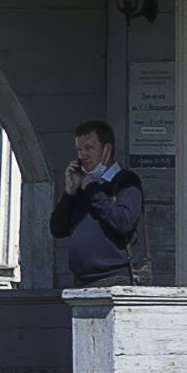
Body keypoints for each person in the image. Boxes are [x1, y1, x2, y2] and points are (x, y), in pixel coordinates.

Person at [50, 121, 147, 284]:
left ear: (106, 150)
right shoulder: (82, 186)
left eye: (89, 148)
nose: (83, 156)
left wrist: (94, 190)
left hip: (114, 277)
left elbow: (123, 221)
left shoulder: (126, 181)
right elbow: (58, 230)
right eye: (79, 150)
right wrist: (69, 192)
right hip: (81, 280)